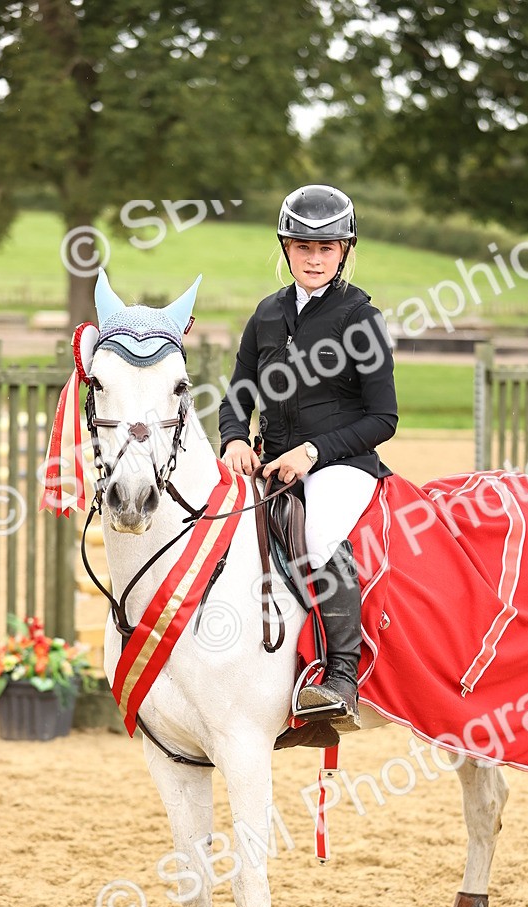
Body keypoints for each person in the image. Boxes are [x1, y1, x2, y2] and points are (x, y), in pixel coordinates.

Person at [218, 184, 398, 732]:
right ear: (285, 247)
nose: (314, 258)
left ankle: (341, 676)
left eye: (326, 248)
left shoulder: (360, 318)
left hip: (344, 466)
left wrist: (314, 451)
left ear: (344, 251)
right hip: (272, 464)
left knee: (318, 533)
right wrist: (232, 439)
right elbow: (237, 395)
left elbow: (383, 419)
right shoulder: (267, 314)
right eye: (302, 247)